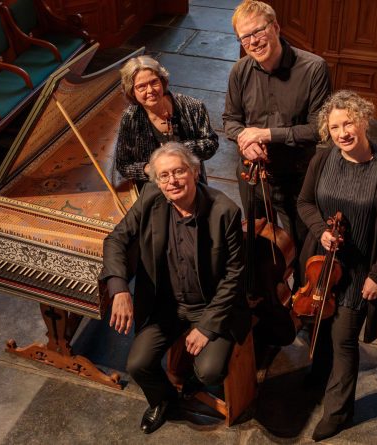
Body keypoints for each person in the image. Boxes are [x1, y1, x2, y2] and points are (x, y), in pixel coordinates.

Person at [101, 143, 251, 434]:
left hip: (209, 306)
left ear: (194, 172)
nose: (172, 181)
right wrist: (119, 288)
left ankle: (194, 378)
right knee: (138, 364)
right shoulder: (151, 198)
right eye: (164, 175)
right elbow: (116, 240)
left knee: (210, 370)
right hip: (166, 305)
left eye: (179, 171)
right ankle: (163, 400)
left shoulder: (224, 211)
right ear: (157, 181)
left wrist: (207, 327)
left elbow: (235, 275)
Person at [297, 90, 377, 441]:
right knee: (321, 322)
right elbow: (305, 203)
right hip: (322, 264)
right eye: (334, 127)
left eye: (348, 123)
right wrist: (321, 232)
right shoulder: (323, 160)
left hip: (361, 271)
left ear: (363, 121)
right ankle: (320, 374)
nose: (342, 132)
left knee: (344, 338)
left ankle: (339, 412)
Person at [223, 0, 331, 295]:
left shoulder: (313, 68)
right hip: (253, 175)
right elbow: (230, 121)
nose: (253, 41)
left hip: (297, 176)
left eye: (258, 31)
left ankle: (303, 303)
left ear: (276, 27)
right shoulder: (240, 71)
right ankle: (269, 301)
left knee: (300, 244)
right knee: (261, 241)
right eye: (245, 37)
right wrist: (245, 143)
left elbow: (318, 129)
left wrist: (268, 134)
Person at [115, 56, 218, 190]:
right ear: (132, 92)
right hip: (154, 188)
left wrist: (179, 151)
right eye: (141, 87)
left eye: (154, 82)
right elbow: (123, 165)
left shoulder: (193, 107)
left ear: (163, 81)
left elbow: (211, 143)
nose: (150, 90)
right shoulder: (130, 118)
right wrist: (149, 169)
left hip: (192, 184)